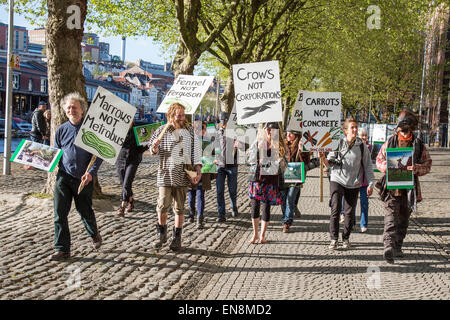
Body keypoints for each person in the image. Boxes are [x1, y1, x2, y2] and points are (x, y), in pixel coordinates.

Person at [50, 93, 103, 261]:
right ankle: (62, 249)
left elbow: (99, 154)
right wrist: (37, 162)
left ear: (82, 110)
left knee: (85, 211)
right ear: (65, 110)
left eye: (75, 107)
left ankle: (94, 234)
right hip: (64, 177)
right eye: (69, 107)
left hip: (83, 178)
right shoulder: (61, 130)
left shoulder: (90, 130)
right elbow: (55, 153)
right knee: (59, 213)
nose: (71, 110)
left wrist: (91, 173)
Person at [376, 110, 432, 263]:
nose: (402, 131)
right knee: (391, 217)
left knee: (403, 219)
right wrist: (387, 167)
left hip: (409, 188)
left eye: (405, 128)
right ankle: (388, 246)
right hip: (392, 187)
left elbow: (428, 164)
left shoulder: (419, 144)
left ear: (410, 128)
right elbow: (379, 160)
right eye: (400, 128)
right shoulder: (390, 141)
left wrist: (417, 168)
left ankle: (398, 246)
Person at [149, 102, 202, 251]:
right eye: (179, 115)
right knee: (162, 205)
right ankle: (161, 233)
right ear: (171, 115)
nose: (182, 118)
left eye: (183, 115)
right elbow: (153, 151)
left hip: (182, 173)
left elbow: (196, 152)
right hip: (165, 172)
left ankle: (176, 238)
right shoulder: (161, 130)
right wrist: (155, 145)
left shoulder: (190, 131)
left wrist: (198, 171)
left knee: (179, 207)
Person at [319, 118, 374, 250]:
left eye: (356, 127)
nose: (355, 130)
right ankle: (333, 239)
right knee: (335, 209)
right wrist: (324, 159)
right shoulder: (337, 143)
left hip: (354, 182)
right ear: (345, 131)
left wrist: (371, 183)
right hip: (337, 179)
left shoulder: (362, 146)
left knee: (349, 212)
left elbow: (368, 166)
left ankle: (346, 238)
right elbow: (330, 163)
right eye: (352, 127)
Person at [247, 122, 286, 244]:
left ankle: (262, 235)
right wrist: (257, 150)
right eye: (267, 129)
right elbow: (249, 159)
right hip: (257, 179)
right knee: (254, 206)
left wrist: (277, 162)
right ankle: (255, 234)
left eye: (272, 129)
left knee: (266, 207)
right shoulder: (258, 142)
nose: (269, 131)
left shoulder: (279, 145)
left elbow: (284, 165)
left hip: (270, 181)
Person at [281, 129, 319, 232]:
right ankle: (286, 216)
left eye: (291, 133)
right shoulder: (282, 145)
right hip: (283, 177)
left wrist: (302, 151)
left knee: (290, 198)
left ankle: (287, 222)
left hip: (296, 177)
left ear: (296, 135)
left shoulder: (302, 146)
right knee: (283, 199)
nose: (288, 135)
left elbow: (305, 163)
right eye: (287, 133)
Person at [116, 123, 148, 216]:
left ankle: (122, 206)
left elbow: (144, 146)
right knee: (123, 183)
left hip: (133, 160)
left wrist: (145, 145)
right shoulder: (118, 128)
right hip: (120, 159)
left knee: (127, 183)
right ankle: (130, 200)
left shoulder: (138, 129)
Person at [187, 121, 215, 229]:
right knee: (192, 194)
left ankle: (199, 217)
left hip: (203, 171)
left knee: (199, 194)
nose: (204, 131)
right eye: (203, 129)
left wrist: (213, 160)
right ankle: (192, 214)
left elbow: (213, 155)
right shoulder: (190, 142)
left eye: (205, 129)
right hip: (192, 170)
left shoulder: (208, 141)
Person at [213, 112, 240, 222]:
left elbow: (244, 145)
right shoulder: (216, 133)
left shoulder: (235, 132)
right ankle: (221, 214)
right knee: (219, 191)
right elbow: (213, 148)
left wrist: (239, 144)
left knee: (232, 190)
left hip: (232, 165)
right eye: (221, 121)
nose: (223, 123)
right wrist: (214, 157)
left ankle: (234, 206)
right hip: (220, 165)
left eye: (225, 121)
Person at [357, 127, 372, 232]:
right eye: (362, 135)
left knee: (364, 203)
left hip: (365, 181)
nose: (364, 137)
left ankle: (363, 224)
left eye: (365, 135)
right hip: (354, 180)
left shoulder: (369, 147)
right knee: (351, 203)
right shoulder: (354, 147)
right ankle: (351, 221)